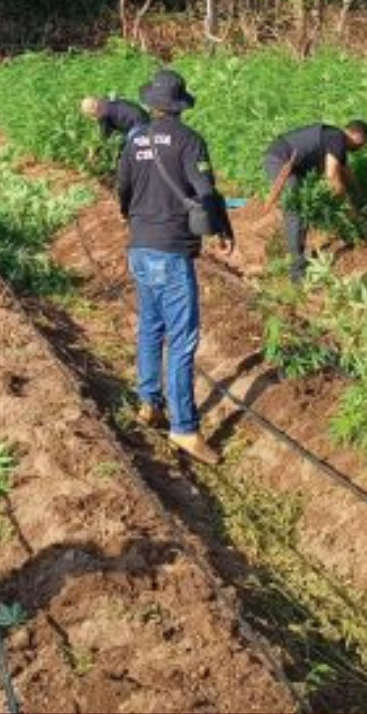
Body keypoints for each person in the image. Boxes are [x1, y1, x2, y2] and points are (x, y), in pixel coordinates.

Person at [117, 70, 234, 465]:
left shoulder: (135, 141)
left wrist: (136, 221)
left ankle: (149, 402)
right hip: (170, 250)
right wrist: (222, 227)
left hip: (139, 245)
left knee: (151, 327)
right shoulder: (189, 141)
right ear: (180, 104)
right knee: (181, 340)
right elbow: (205, 193)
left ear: (152, 103)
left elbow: (123, 190)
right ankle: (184, 428)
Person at [262, 120, 367, 284]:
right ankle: (297, 273)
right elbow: (332, 175)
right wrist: (347, 206)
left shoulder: (336, 140)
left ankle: (300, 251)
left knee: (307, 208)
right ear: (357, 135)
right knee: (296, 210)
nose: (362, 147)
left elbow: (345, 171)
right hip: (281, 160)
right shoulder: (337, 137)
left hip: (291, 164)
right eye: (363, 143)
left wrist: (359, 193)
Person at [80, 94, 148, 144]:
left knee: (129, 144)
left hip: (138, 125)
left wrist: (100, 140)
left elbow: (105, 136)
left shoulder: (103, 116)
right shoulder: (109, 101)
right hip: (143, 115)